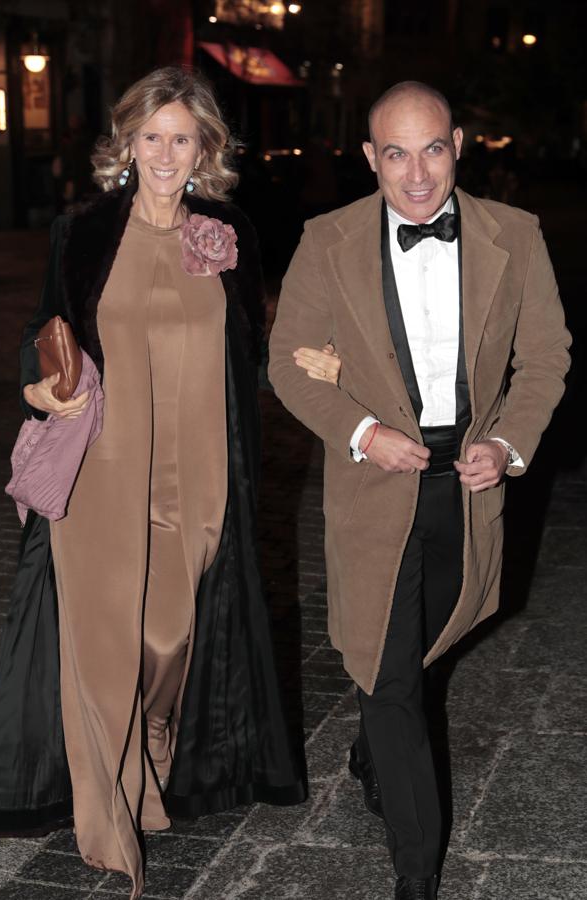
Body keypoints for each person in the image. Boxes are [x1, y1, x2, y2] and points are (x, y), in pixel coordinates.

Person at [0, 67, 338, 898]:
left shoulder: (228, 234)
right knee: (100, 653)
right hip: (102, 473)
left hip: (198, 479)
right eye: (151, 136)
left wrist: (311, 363)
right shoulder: (85, 233)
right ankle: (109, 824)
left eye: (182, 137)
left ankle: (149, 768)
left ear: (206, 148)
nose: (166, 153)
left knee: (168, 640)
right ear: (127, 142)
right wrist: (43, 385)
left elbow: (251, 348)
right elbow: (40, 333)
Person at [269, 81, 571, 900]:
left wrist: (507, 443)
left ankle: (372, 748)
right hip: (376, 484)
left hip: (470, 481)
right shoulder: (326, 241)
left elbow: (545, 358)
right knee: (392, 674)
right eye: (394, 153)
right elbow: (288, 361)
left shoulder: (516, 235)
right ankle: (415, 871)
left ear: (459, 144)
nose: (415, 175)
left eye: (431, 148)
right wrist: (365, 434)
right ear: (370, 157)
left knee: (432, 641)